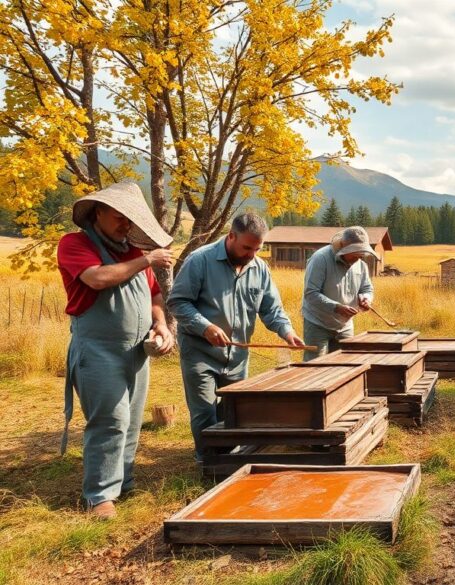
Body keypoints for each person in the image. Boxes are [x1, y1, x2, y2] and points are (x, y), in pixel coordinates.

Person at [57, 182, 176, 519]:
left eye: (130, 219)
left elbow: (154, 295)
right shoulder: (75, 244)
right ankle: (100, 496)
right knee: (110, 420)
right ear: (98, 213)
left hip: (137, 351)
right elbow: (97, 278)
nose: (126, 224)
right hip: (98, 350)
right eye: (119, 217)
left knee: (132, 421)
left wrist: (161, 325)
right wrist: (148, 259)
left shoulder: (132, 252)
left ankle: (123, 482)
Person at [167, 213, 303, 460]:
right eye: (247, 248)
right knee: (204, 411)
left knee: (233, 409)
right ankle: (208, 463)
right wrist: (205, 327)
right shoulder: (200, 260)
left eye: (258, 249)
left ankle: (228, 458)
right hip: (200, 352)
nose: (252, 254)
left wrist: (287, 331)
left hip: (238, 356)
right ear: (231, 236)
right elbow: (177, 302)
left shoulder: (259, 269)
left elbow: (271, 309)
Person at [301, 226, 377, 361]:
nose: (357, 258)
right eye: (354, 253)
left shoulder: (361, 265)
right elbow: (311, 293)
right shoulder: (320, 258)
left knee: (344, 364)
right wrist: (336, 307)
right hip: (317, 323)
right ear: (342, 246)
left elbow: (367, 288)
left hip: (345, 327)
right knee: (315, 366)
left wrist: (366, 298)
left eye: (360, 254)